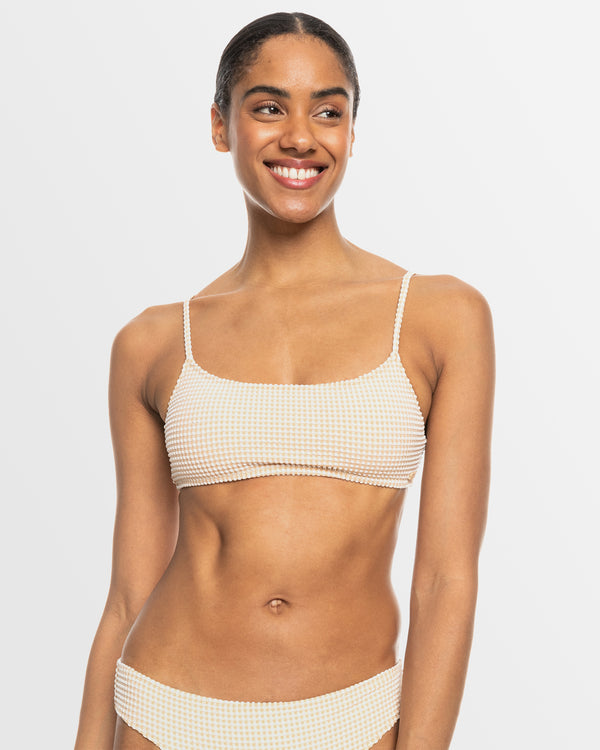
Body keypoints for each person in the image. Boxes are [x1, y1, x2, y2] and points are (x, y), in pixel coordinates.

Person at [74, 11, 495, 750]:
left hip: (353, 717)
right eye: (269, 107)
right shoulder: (151, 343)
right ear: (220, 126)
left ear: (352, 133)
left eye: (328, 111)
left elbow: (445, 581)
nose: (301, 136)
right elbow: (129, 593)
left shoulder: (440, 317)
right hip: (164, 712)